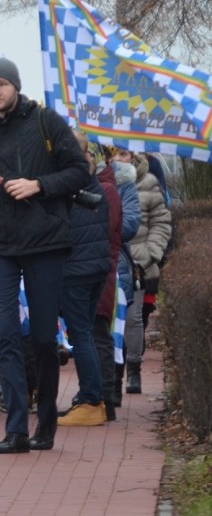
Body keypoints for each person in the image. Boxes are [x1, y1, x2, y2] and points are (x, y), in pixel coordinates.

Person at [0, 58, 88, 454]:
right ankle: (15, 428)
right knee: (6, 335)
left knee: (45, 339)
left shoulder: (46, 122)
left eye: (1, 84)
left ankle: (45, 421)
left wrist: (38, 185)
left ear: (15, 85)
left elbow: (80, 171)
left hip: (43, 240)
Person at [55, 131, 112, 427]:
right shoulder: (90, 178)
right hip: (94, 266)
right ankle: (92, 397)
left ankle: (91, 399)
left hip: (76, 268)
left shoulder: (69, 182)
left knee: (80, 335)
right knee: (85, 332)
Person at [116, 149, 171, 395]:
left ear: (134, 158)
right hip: (110, 261)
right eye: (113, 155)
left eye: (123, 154)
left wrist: (150, 255)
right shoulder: (101, 182)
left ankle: (134, 371)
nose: (118, 160)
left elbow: (161, 222)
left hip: (139, 262)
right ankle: (113, 374)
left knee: (134, 317)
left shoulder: (148, 183)